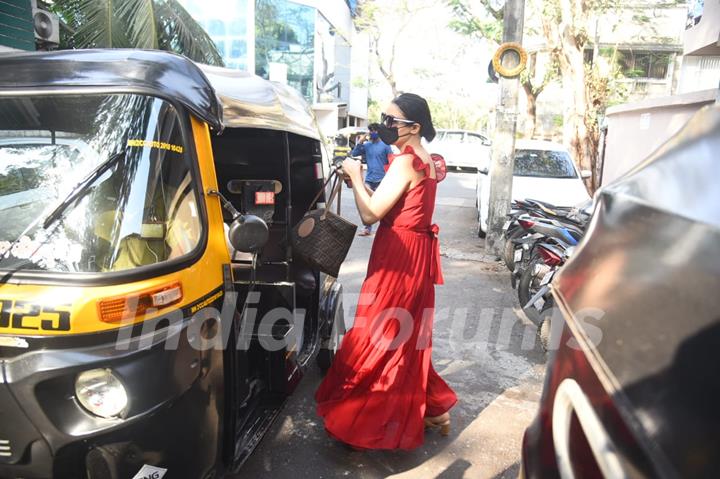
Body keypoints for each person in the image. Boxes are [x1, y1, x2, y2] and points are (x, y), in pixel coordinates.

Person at [315, 93, 457, 450]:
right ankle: (435, 410)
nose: (385, 125)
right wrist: (362, 184)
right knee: (404, 335)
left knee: (376, 332)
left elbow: (369, 215)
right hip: (415, 255)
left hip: (398, 258)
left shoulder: (406, 162)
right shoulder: (426, 159)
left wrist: (355, 175)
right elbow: (398, 202)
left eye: (392, 120)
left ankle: (364, 416)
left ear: (414, 127)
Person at [349, 123, 392, 236]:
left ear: (379, 132)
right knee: (367, 204)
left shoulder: (385, 145)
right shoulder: (367, 145)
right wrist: (361, 141)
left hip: (382, 180)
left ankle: (387, 228)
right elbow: (354, 153)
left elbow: (391, 161)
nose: (372, 132)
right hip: (369, 179)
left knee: (383, 205)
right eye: (371, 130)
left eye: (374, 130)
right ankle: (367, 229)